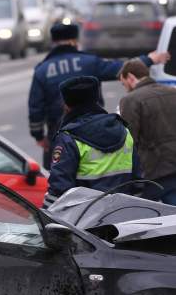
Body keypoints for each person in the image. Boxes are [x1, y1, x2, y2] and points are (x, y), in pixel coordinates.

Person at [28, 23, 169, 169]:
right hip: (93, 129)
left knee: (56, 173)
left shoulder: (42, 70)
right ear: (74, 41)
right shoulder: (89, 62)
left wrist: (38, 136)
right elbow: (121, 68)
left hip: (58, 133)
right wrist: (149, 59)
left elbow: (35, 107)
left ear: (54, 42)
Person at [43, 76, 141, 208]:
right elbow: (138, 180)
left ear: (67, 105)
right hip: (124, 213)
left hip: (86, 219)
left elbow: (59, 189)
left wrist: (43, 217)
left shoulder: (69, 138)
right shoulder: (123, 130)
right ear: (96, 98)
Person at [118, 59, 176, 204]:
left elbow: (130, 140)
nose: (125, 88)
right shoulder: (172, 92)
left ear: (130, 77)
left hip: (156, 171)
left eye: (123, 83)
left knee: (137, 213)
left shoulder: (130, 100)